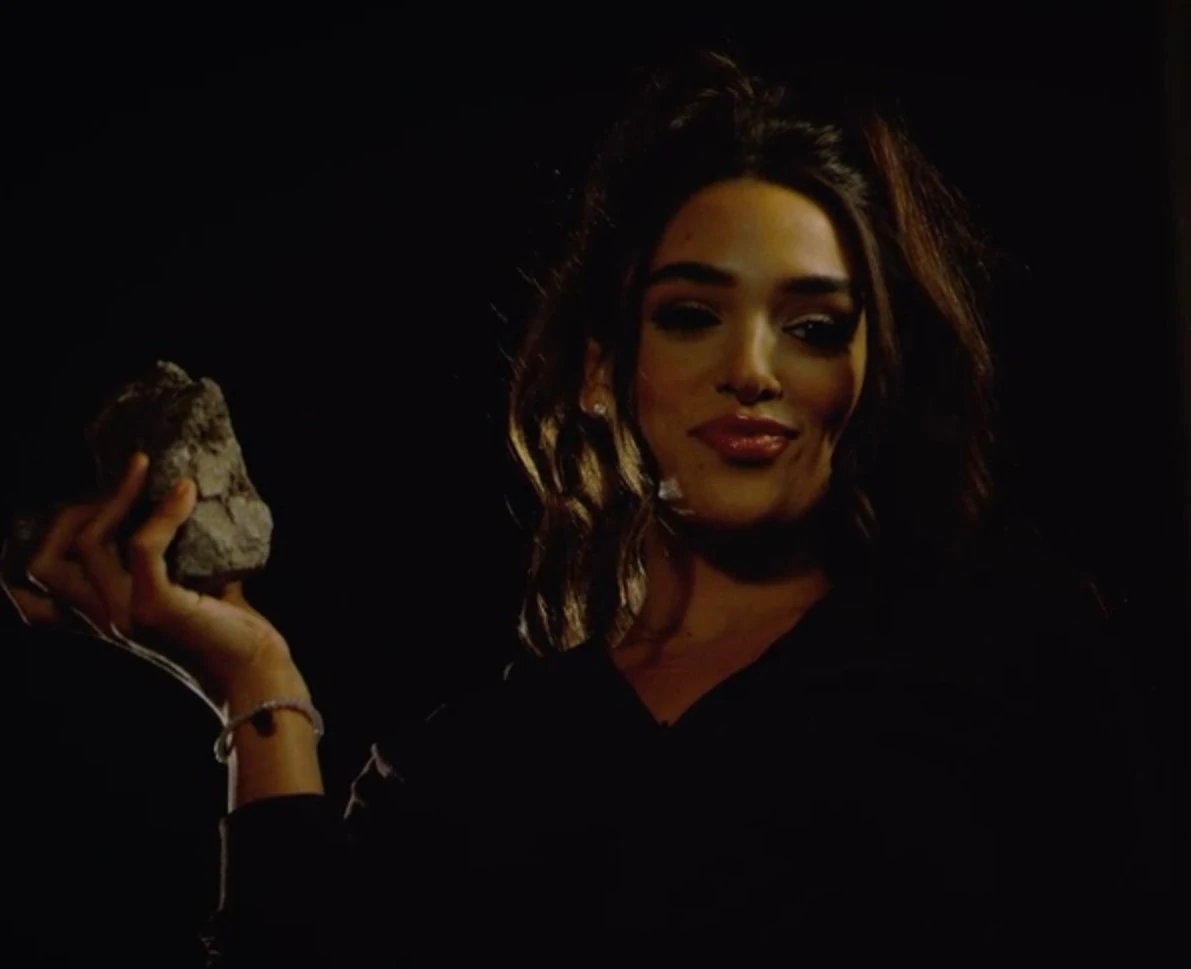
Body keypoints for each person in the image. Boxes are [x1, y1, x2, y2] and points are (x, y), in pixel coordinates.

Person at [5, 49, 1176, 964]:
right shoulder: (472, 772)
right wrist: (253, 684)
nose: (753, 369)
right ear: (602, 369)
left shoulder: (1007, 657)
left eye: (814, 326)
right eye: (691, 315)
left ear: (868, 372)